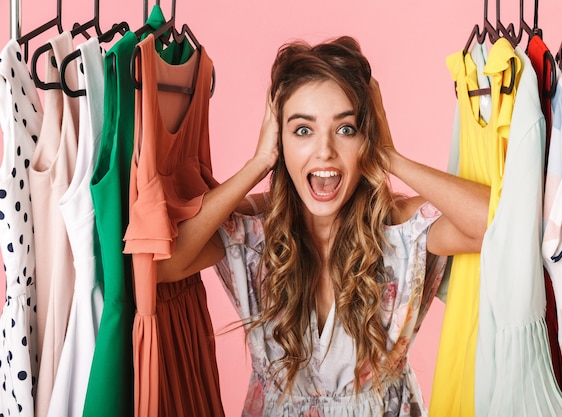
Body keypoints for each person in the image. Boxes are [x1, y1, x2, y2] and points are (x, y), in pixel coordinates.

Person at [157, 35, 489, 416]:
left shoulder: (401, 227)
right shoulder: (249, 234)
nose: (325, 150)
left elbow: (499, 225)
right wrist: (258, 163)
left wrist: (388, 156)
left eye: (346, 129)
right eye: (302, 130)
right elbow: (163, 265)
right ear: (278, 140)